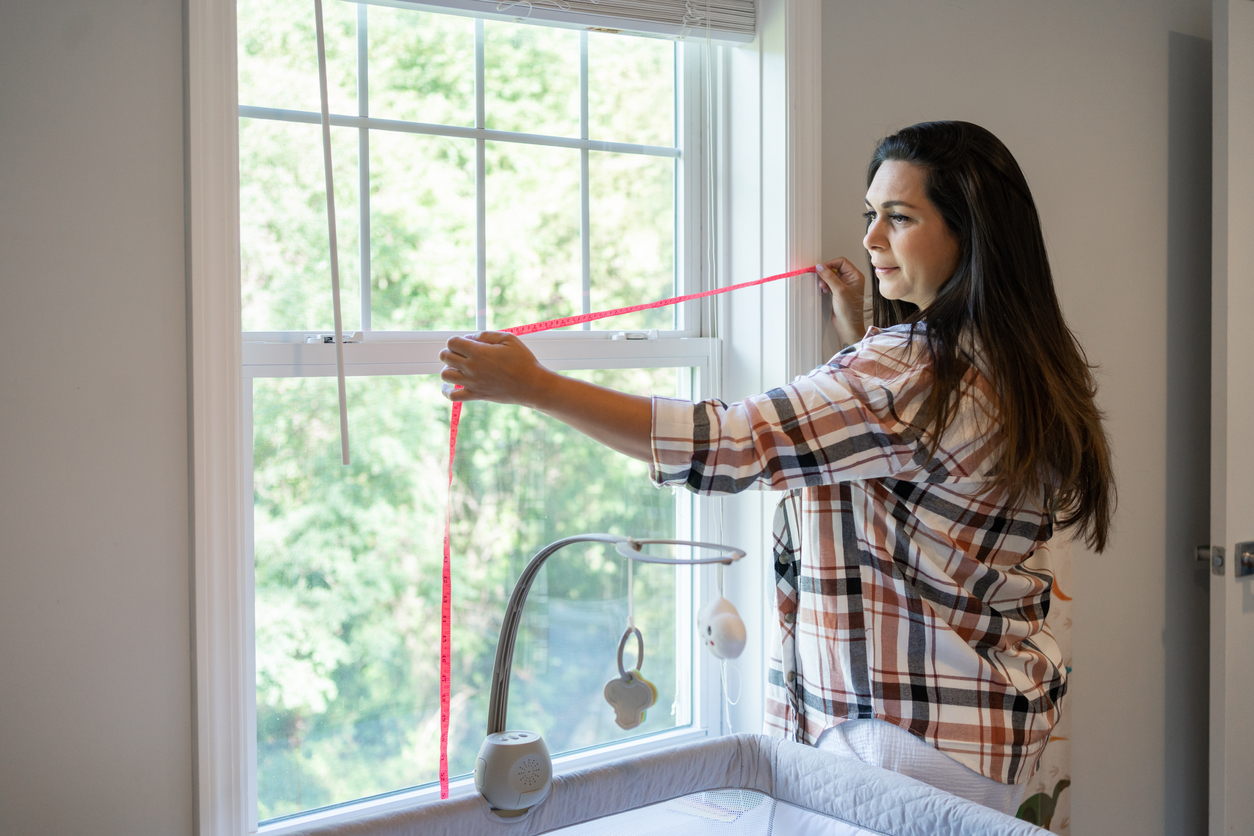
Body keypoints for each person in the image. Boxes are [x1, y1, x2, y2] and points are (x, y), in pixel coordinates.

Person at [438, 121, 1114, 815]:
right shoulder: (1023, 359)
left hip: (902, 734)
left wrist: (538, 387)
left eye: (900, 218)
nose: (871, 239)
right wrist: (866, 338)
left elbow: (729, 443)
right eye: (869, 215)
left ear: (968, 236)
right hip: (985, 727)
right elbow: (922, 474)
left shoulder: (908, 371)